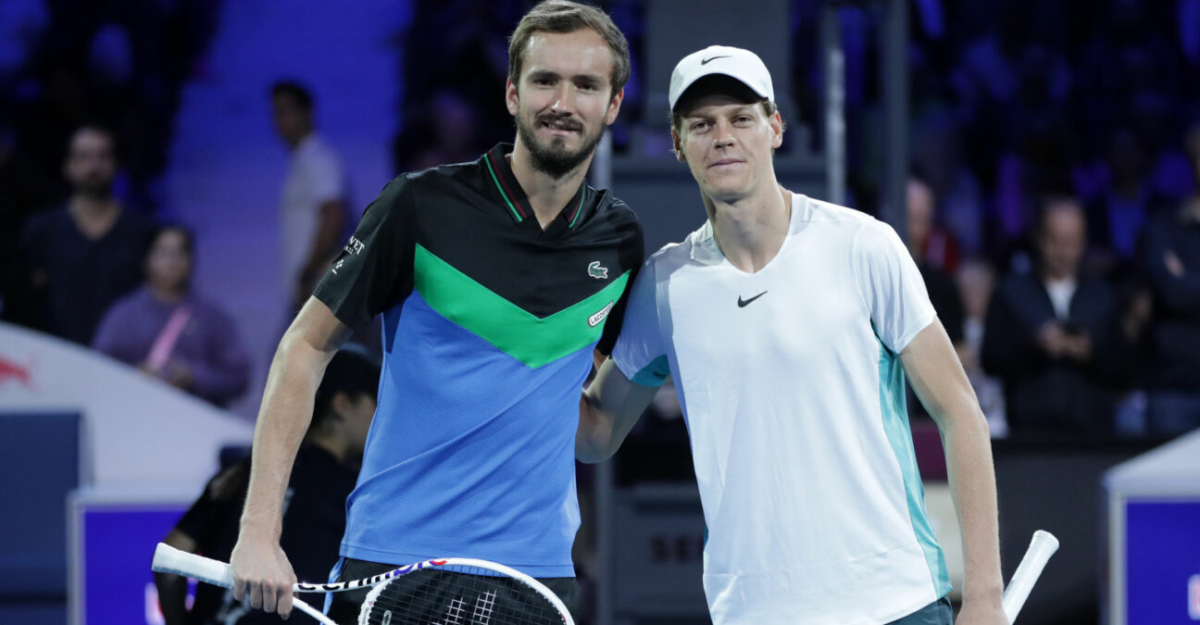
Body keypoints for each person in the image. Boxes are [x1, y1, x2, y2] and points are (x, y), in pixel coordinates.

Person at [229, 2, 642, 623]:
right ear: (511, 92)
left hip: (535, 574)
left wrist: (650, 369)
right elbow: (305, 348)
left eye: (586, 85)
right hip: (395, 562)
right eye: (544, 80)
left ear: (612, 104)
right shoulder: (419, 207)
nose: (563, 101)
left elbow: (591, 429)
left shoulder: (618, 240)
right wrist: (259, 529)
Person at [577, 46, 1005, 624]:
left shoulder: (863, 245)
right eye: (701, 124)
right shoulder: (664, 285)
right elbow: (596, 433)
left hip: (894, 603)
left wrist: (983, 596)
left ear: (774, 127)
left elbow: (960, 412)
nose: (723, 136)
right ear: (678, 144)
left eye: (741, 118)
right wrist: (516, 360)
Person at [154, 347, 380, 625]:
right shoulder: (358, 495)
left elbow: (171, 561)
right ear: (342, 404)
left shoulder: (244, 471)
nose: (380, 417)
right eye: (376, 402)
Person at [982, 197, 1126, 439]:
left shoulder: (1103, 296)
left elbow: (1124, 367)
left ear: (1083, 243)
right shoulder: (1012, 293)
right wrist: (1035, 345)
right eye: (1054, 240)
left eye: (1071, 242)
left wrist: (1091, 351)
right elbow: (991, 359)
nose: (1062, 251)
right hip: (1030, 434)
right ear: (1039, 238)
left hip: (1093, 435)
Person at [19, 125, 155, 345]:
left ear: (116, 164)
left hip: (124, 362)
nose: (94, 166)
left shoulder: (142, 230)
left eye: (103, 156)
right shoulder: (42, 229)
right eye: (83, 157)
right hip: (55, 357)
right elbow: (24, 299)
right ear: (68, 166)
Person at [93, 225, 251, 407]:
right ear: (147, 259)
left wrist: (194, 376)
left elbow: (239, 377)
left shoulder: (211, 316)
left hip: (199, 421)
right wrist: (135, 374)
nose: (172, 262)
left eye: (180, 253)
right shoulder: (123, 315)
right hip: (136, 416)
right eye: (163, 253)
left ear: (191, 260)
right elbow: (99, 370)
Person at [1138, 123, 1200, 436]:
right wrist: (1178, 284)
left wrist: (1185, 278)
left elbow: (1179, 289)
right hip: (1172, 388)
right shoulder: (1163, 226)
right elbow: (1169, 291)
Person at [271, 81, 348, 312]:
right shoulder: (302, 160)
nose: (279, 121)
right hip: (310, 294)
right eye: (276, 113)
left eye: (287, 111)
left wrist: (309, 273)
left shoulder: (318, 158)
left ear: (308, 112)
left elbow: (333, 213)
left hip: (319, 293)